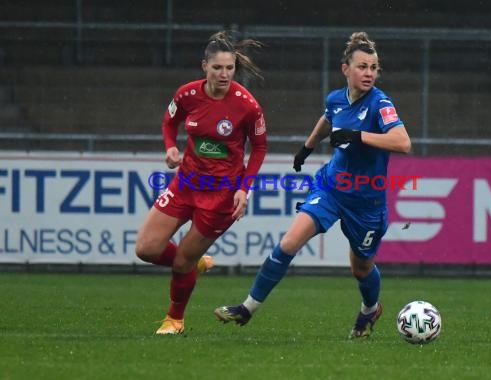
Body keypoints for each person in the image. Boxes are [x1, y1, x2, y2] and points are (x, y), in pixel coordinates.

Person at [214, 31, 411, 339]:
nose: (369, 73)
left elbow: (403, 142)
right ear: (345, 69)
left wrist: (359, 136)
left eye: (373, 67)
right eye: (362, 66)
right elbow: (328, 118)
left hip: (367, 202)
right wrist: (306, 148)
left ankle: (370, 308)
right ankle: (247, 307)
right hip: (331, 188)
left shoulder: (380, 104)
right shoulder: (336, 98)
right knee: (290, 243)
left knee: (360, 268)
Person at [135, 31, 268, 334]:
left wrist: (243, 189)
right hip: (186, 183)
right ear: (204, 66)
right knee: (146, 248)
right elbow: (170, 121)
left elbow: (260, 147)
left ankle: (174, 320)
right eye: (218, 67)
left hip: (221, 196)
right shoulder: (187, 94)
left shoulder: (247, 105)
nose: (224, 74)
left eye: (230, 68)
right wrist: (170, 146)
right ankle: (195, 264)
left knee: (181, 262)